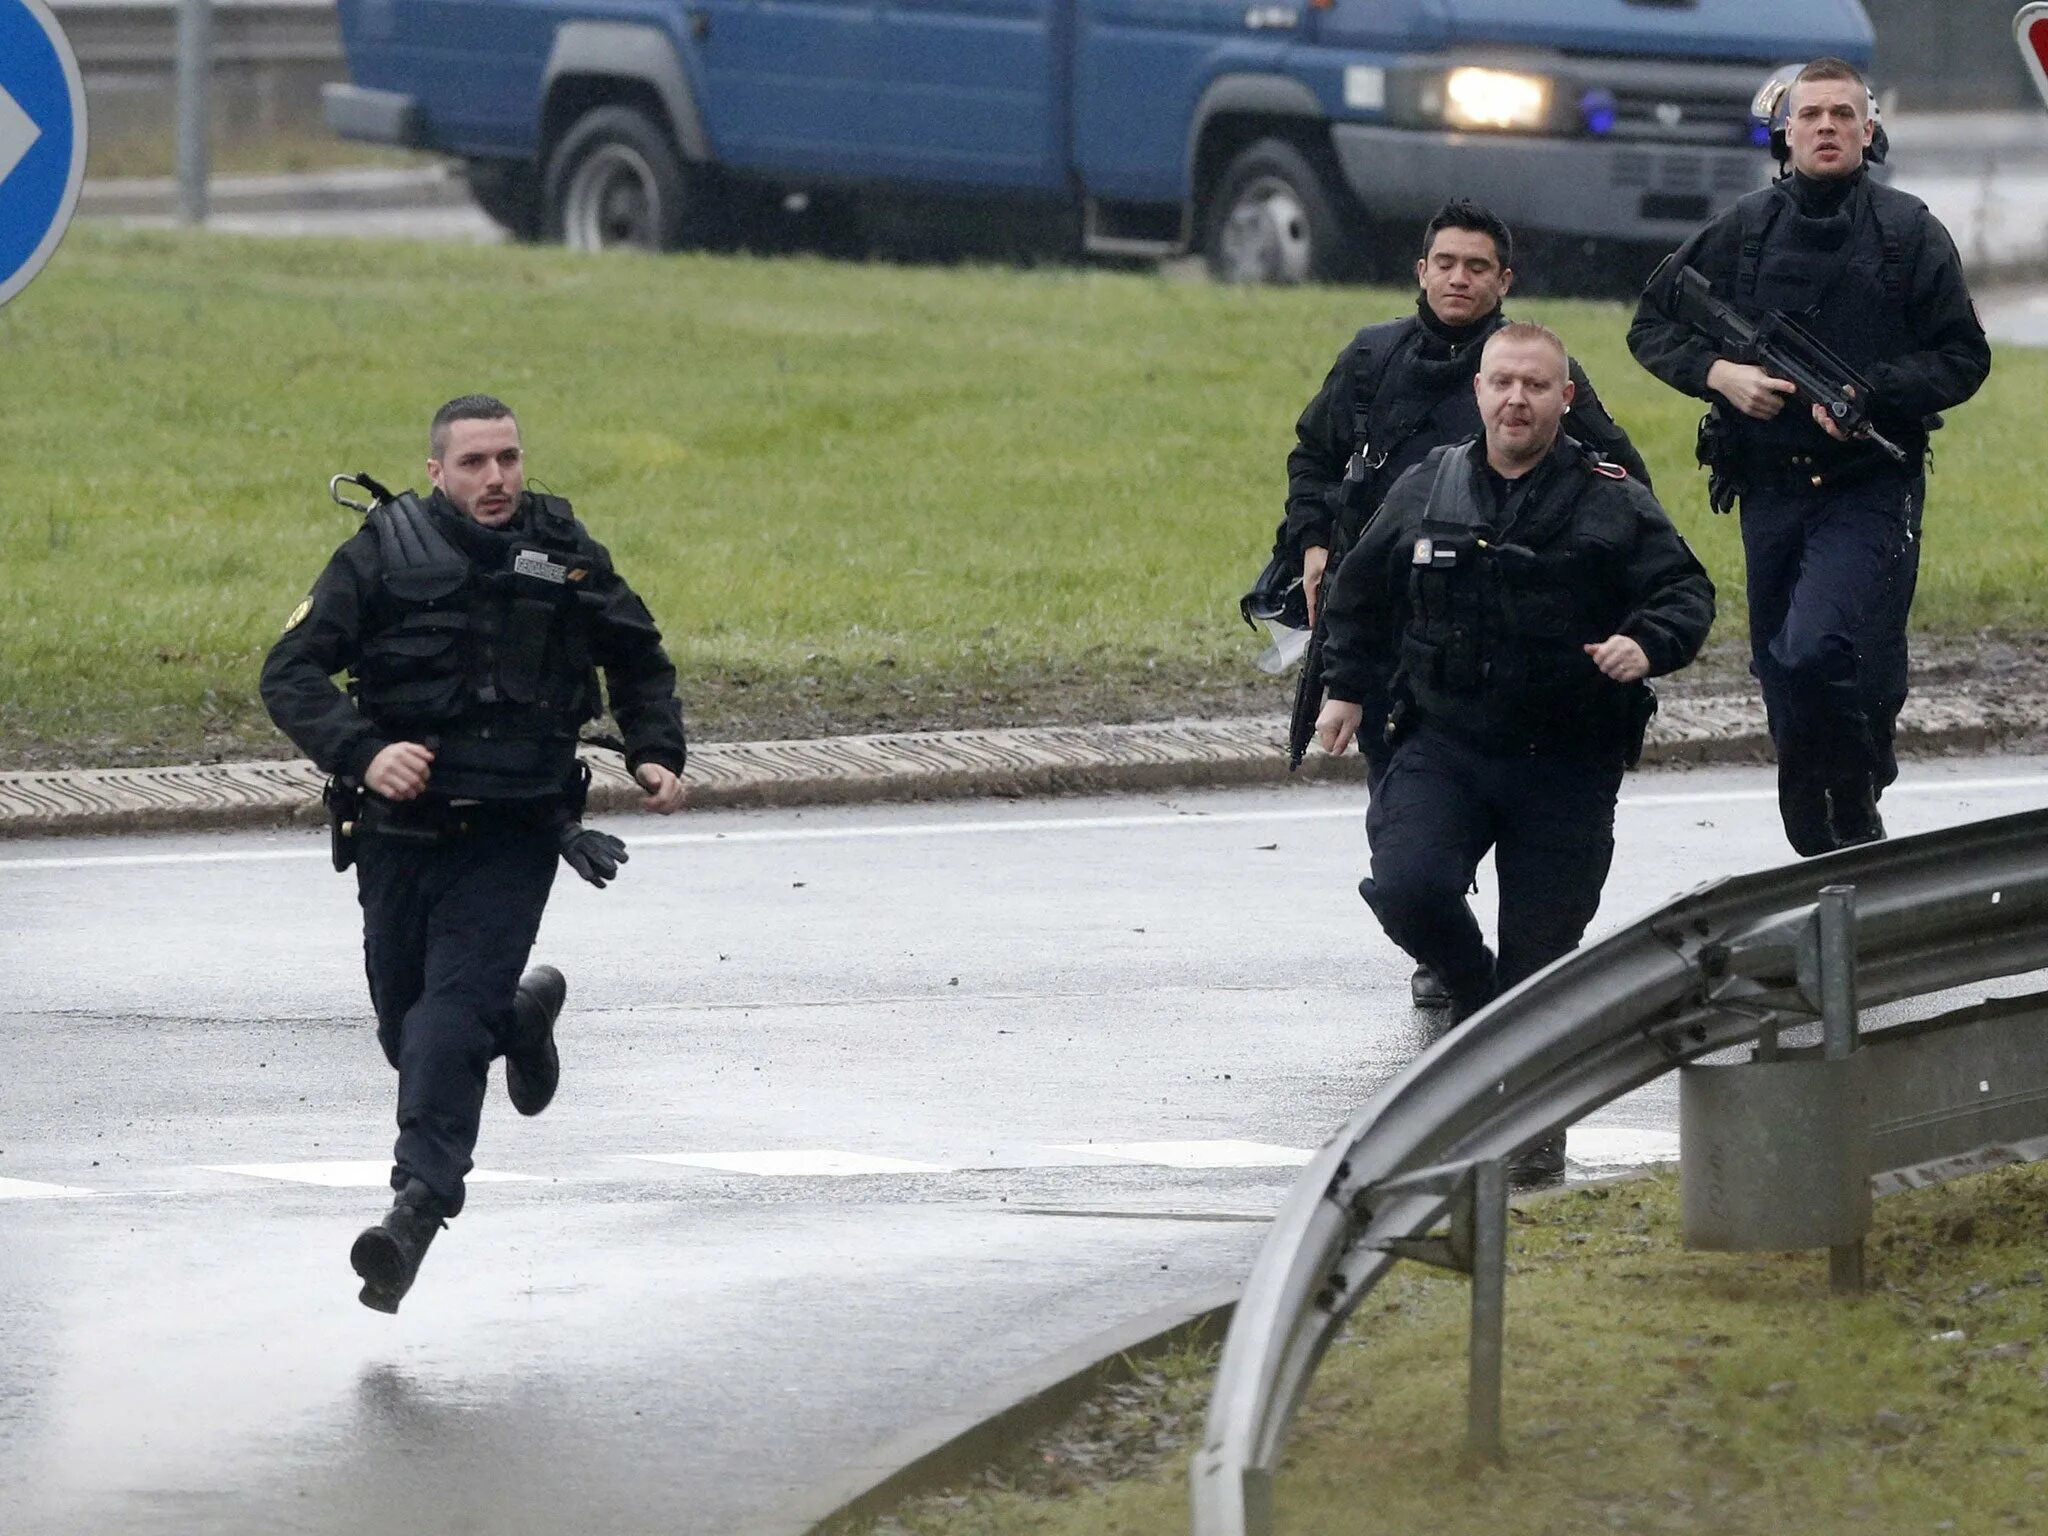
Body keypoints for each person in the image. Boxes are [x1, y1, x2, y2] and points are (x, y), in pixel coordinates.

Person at [261, 394, 689, 1312]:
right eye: (474, 464)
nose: (496, 480)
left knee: (446, 1022)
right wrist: (364, 751)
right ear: (436, 473)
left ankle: (414, 1212)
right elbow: (290, 672)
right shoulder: (382, 552)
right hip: (399, 837)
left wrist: (656, 747)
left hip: (517, 829)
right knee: (406, 1033)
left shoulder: (565, 551)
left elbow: (639, 655)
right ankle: (523, 1017)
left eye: (508, 459)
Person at [1314, 324, 1714, 1182]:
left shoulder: (1612, 499)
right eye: (1502, 383)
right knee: (1409, 888)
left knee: (1545, 970)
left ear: (1564, 398)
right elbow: (1360, 591)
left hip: (1565, 762)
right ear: (1480, 392)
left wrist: (1645, 644)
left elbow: (1686, 592)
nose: (1516, 400)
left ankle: (1532, 1154)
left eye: (1536, 385)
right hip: (1446, 742)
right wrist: (1345, 690)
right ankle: (1470, 987)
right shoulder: (1430, 485)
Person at [1271, 198, 1648, 1010]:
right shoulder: (1371, 362)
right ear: (1421, 270)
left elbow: (1625, 485)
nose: (1458, 278)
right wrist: (1311, 545)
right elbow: (1314, 456)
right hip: (1388, 622)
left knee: (1523, 844)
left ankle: (1502, 976)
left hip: (1506, 634)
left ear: (1504, 281)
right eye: (1445, 262)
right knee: (1407, 828)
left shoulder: (1537, 372)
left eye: (1477, 267)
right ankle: (1444, 943)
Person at [1628, 57, 1989, 857]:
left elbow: (1964, 358)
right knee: (1781, 666)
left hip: (1869, 485)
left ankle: (1848, 790)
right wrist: (1720, 375)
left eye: (1843, 114)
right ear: (1785, 132)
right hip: (1769, 488)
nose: (1827, 126)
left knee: (1830, 651)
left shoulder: (1910, 231)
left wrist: (1875, 393)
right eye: (1811, 114)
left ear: (1869, 131)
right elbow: (1652, 324)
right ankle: (1828, 815)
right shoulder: (1744, 229)